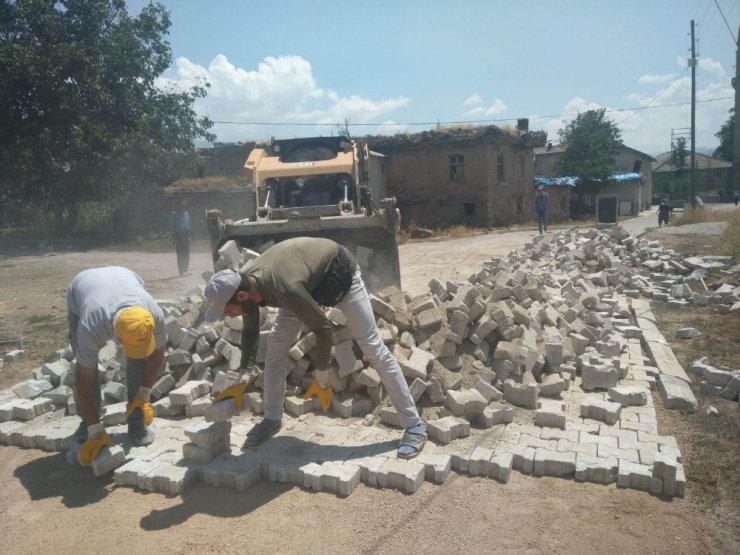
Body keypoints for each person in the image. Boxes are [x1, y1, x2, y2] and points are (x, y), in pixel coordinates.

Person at [202, 237, 427, 460]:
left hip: (339, 275)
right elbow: (250, 331)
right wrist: (244, 373)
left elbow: (323, 328)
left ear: (241, 296)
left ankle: (414, 426)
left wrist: (321, 373)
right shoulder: (246, 284)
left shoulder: (284, 288)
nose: (228, 315)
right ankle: (272, 418)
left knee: (372, 347)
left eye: (227, 309)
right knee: (274, 351)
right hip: (302, 285)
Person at [67, 267, 167, 464]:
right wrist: (95, 431)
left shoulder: (153, 315)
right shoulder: (91, 326)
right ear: (116, 335)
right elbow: (83, 381)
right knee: (88, 364)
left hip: (126, 276)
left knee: (140, 358)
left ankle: (136, 420)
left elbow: (157, 354)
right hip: (81, 290)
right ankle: (89, 423)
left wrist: (144, 395)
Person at [171, 199, 191, 276]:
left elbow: (188, 225)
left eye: (184, 204)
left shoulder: (186, 213)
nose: (183, 206)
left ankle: (185, 270)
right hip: (178, 236)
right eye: (181, 204)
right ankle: (181, 271)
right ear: (178, 205)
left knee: (187, 254)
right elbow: (172, 226)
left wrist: (189, 236)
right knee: (180, 254)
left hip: (186, 236)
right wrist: (173, 238)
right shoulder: (174, 214)